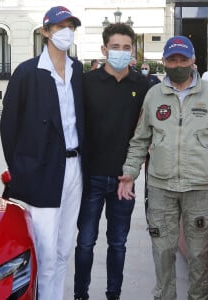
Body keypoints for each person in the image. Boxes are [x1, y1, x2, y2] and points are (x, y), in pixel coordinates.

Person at [117, 35, 208, 300]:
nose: (178, 64)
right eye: (172, 59)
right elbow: (139, 141)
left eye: (183, 59)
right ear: (164, 62)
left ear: (193, 60)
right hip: (161, 187)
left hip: (199, 187)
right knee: (163, 252)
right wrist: (129, 174)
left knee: (198, 255)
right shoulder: (154, 95)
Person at [0, 6, 84, 300]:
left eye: (70, 26)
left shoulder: (78, 70)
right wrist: (24, 168)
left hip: (75, 170)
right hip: (43, 172)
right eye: (59, 27)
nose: (66, 32)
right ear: (46, 31)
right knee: (46, 252)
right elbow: (9, 127)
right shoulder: (27, 72)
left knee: (63, 250)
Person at [74, 23, 149, 300]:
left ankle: (113, 294)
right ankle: (80, 293)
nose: (120, 52)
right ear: (104, 49)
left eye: (126, 47)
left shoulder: (143, 85)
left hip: (124, 181)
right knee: (84, 242)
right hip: (90, 178)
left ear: (133, 51)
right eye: (115, 47)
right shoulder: (86, 82)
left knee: (118, 244)